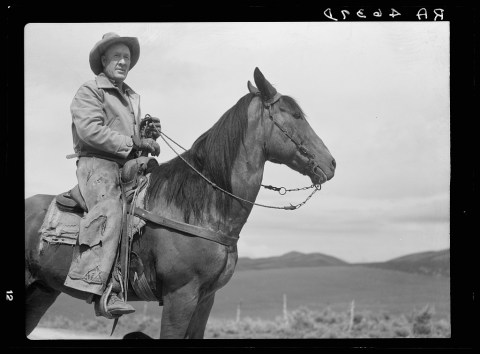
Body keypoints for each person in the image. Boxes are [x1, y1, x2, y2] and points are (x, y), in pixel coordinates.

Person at [64, 33, 161, 317]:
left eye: (127, 58)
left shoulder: (132, 97)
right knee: (113, 210)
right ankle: (105, 290)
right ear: (104, 60)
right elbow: (90, 130)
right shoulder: (90, 90)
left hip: (128, 166)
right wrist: (132, 143)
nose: (122, 62)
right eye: (117, 56)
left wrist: (146, 135)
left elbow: (132, 139)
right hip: (97, 166)